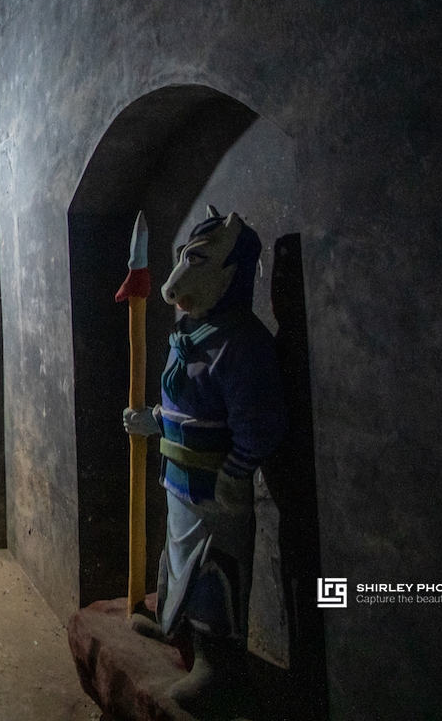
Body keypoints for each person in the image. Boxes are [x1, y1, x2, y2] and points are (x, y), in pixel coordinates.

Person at [123, 208, 285, 708]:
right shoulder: (191, 335)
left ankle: (218, 667)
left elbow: (259, 424)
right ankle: (176, 627)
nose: (176, 283)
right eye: (182, 261)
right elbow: (186, 405)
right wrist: (153, 420)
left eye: (196, 263)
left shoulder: (243, 343)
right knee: (177, 563)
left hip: (215, 487)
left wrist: (236, 474)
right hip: (178, 480)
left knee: (214, 573)